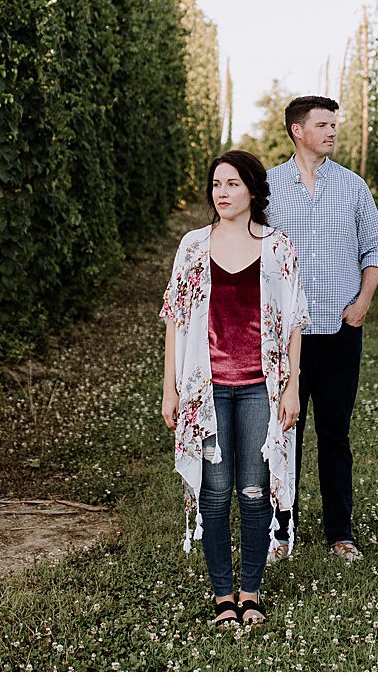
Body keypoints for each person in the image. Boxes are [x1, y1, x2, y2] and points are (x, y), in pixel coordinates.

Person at [161, 149, 309, 628]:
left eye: (232, 184)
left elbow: (293, 323)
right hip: (206, 390)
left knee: (252, 488)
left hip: (258, 389)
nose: (221, 193)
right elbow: (175, 321)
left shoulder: (277, 247)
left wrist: (291, 388)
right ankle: (222, 595)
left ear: (253, 190)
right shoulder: (193, 246)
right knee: (215, 490)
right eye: (216, 184)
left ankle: (251, 592)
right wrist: (171, 390)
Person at [266, 95, 378, 564]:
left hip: (340, 330)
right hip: (287, 337)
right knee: (285, 434)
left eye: (334, 124)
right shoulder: (271, 188)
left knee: (335, 433)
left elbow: (376, 249)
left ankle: (340, 532)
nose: (332, 132)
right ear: (298, 131)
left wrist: (362, 304)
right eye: (323, 124)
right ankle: (281, 532)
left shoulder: (353, 187)